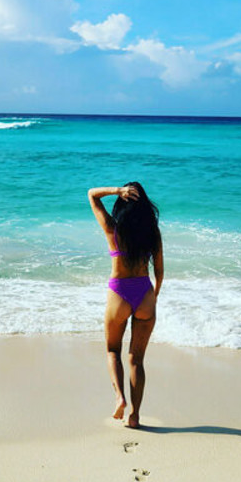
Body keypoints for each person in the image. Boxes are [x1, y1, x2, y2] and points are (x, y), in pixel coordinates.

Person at [87, 182, 163, 428]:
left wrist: (117, 191)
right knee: (136, 360)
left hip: (119, 293)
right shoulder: (153, 234)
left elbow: (92, 195)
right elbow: (159, 272)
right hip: (144, 294)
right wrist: (153, 296)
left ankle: (120, 398)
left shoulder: (113, 229)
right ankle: (135, 416)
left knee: (112, 351)